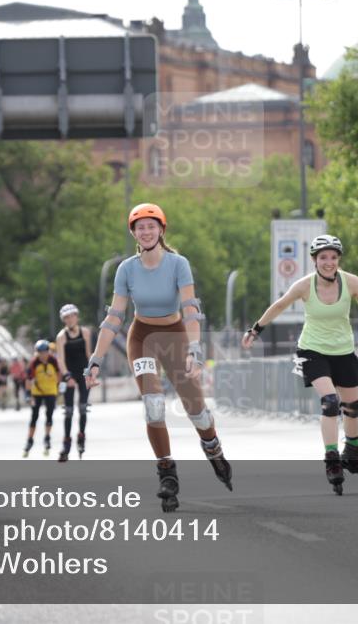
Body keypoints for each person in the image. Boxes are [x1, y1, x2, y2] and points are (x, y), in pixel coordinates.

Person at [85, 203, 232, 512]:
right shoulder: (126, 269)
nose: (146, 231)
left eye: (152, 226)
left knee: (198, 414)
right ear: (133, 234)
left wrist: (194, 349)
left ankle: (213, 448)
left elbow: (190, 308)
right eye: (140, 227)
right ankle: (167, 473)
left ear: (162, 230)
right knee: (153, 407)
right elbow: (114, 317)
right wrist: (96, 359)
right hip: (142, 339)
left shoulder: (178, 263)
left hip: (176, 336)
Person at [242, 234, 358, 495]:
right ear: (314, 260)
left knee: (353, 406)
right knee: (330, 402)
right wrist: (255, 330)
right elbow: (279, 306)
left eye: (333, 257)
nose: (328, 262)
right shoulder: (304, 286)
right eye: (323, 258)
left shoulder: (352, 282)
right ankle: (332, 459)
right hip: (312, 350)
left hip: (343, 350)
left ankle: (353, 452)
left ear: (338, 259)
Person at [55, 304, 92, 462]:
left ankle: (81, 437)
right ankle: (66, 443)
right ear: (64, 320)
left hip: (83, 371)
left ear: (77, 317)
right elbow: (60, 359)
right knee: (69, 410)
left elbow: (88, 354)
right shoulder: (61, 336)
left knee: (83, 407)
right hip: (69, 373)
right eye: (66, 318)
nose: (70, 320)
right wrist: (67, 376)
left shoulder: (85, 332)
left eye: (72, 316)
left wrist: (90, 373)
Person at [24, 340, 59, 457]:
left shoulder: (53, 361)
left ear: (48, 352)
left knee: (49, 415)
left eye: (44, 352)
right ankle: (30, 440)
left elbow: (59, 374)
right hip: (37, 392)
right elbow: (28, 379)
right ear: (37, 353)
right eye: (40, 352)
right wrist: (28, 394)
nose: (43, 355)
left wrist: (59, 387)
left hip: (50, 392)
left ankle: (47, 437)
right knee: (34, 416)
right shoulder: (34, 363)